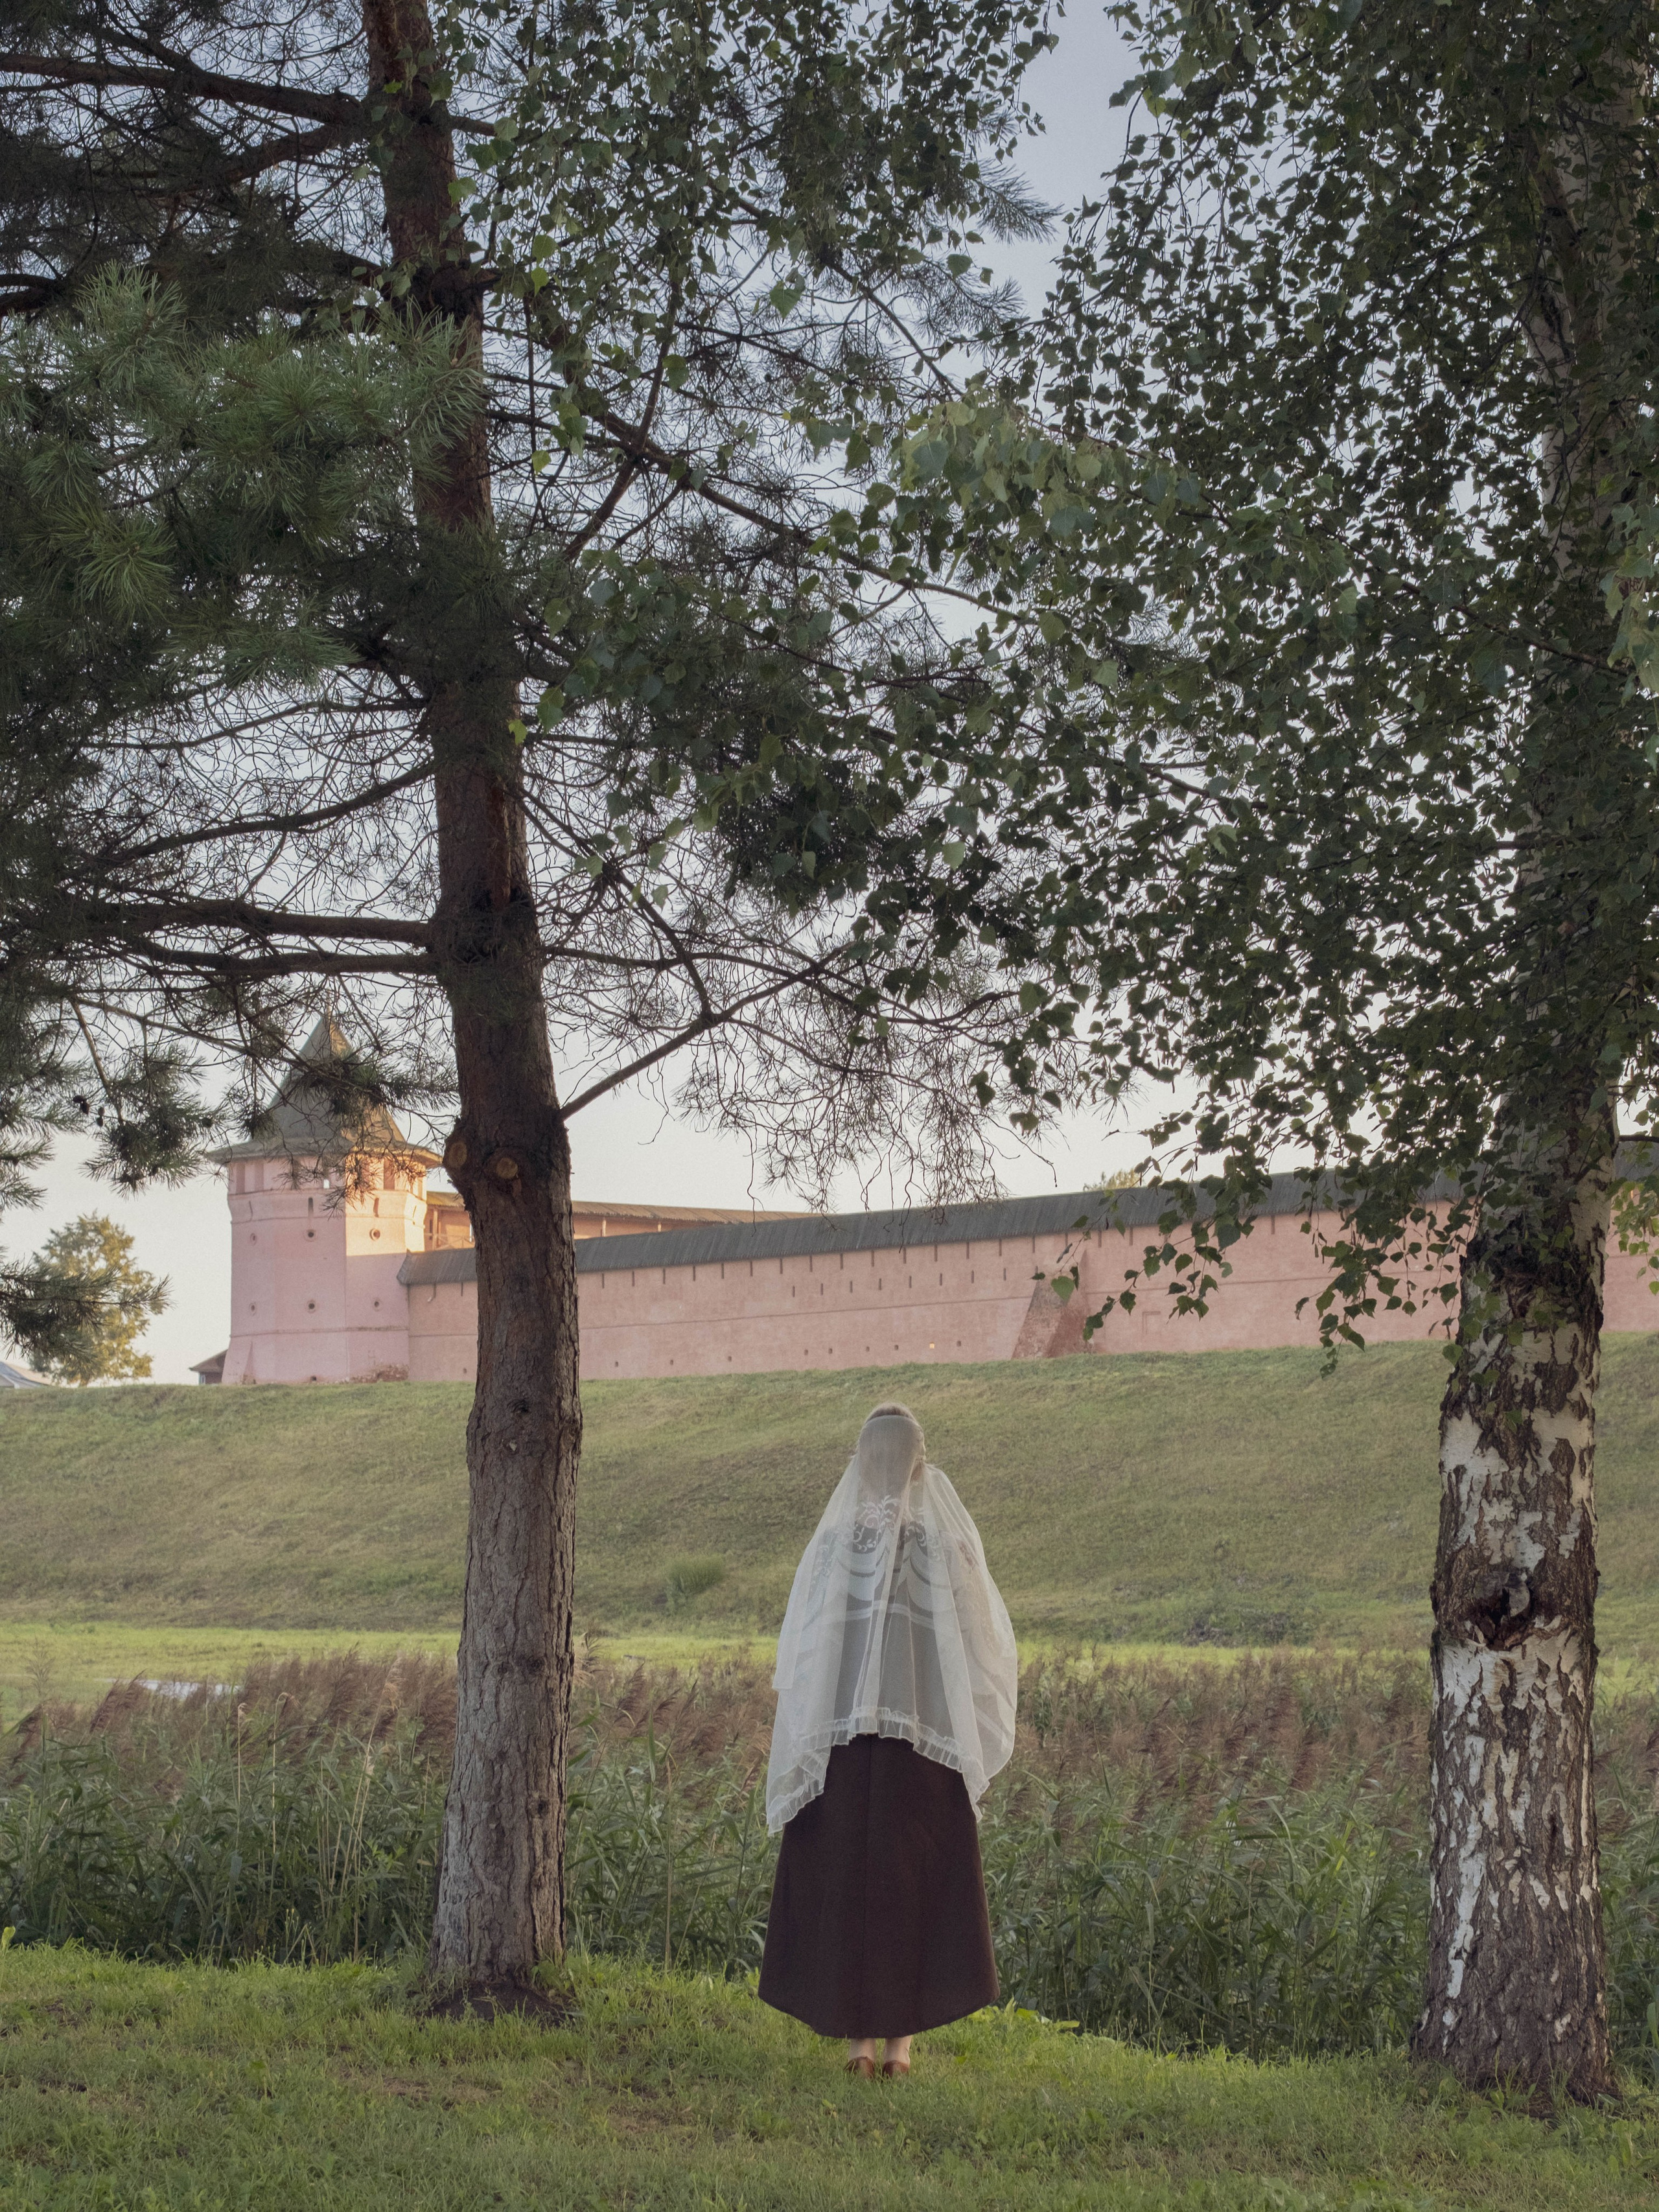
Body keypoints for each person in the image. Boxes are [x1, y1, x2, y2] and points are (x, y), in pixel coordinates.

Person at [758, 1401, 1018, 2078]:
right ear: (917, 1459)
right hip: (920, 1745)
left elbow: (806, 1649)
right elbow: (981, 1645)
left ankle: (857, 2046)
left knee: (847, 1884)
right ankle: (900, 2049)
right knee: (914, 1888)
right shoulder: (942, 1541)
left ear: (862, 1459)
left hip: (846, 1745)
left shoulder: (838, 1540)